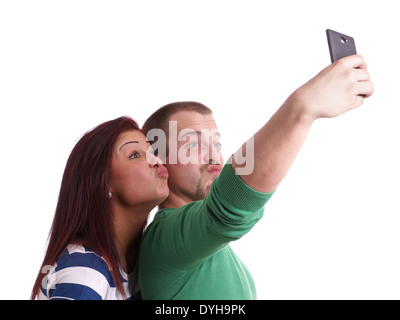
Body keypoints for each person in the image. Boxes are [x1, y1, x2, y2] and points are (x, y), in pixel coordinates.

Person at [139, 54, 374, 299]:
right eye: (193, 145)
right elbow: (227, 208)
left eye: (217, 145)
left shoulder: (209, 249)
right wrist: (303, 107)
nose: (214, 157)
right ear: (159, 161)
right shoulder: (164, 242)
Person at [31, 116, 169, 300]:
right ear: (104, 183)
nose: (156, 160)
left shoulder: (140, 264)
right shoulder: (86, 272)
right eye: (134, 155)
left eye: (152, 152)